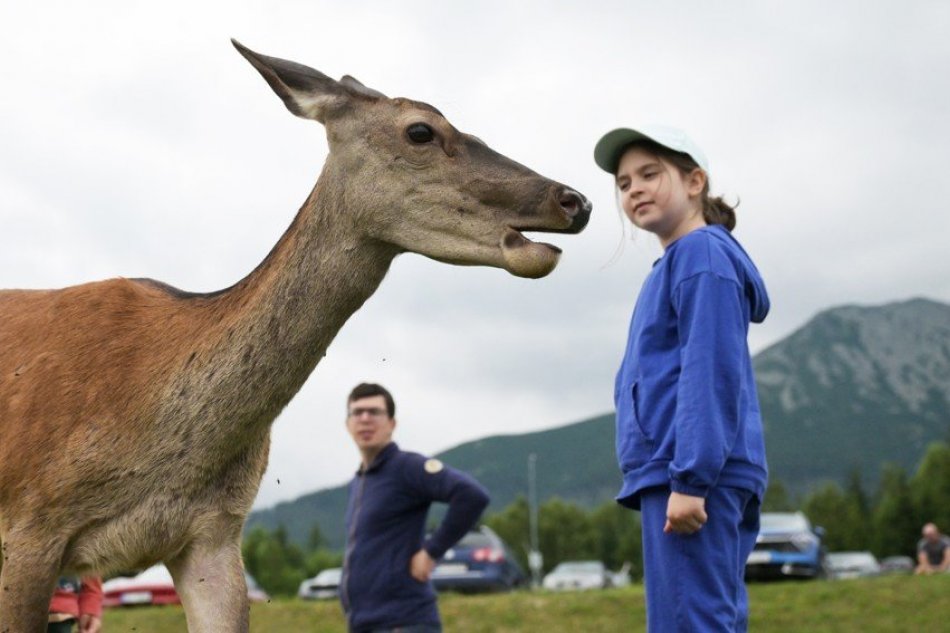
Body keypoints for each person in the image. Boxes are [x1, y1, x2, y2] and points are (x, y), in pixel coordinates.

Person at [594, 125, 770, 632]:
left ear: (695, 182)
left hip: (693, 474)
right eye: (624, 184)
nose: (635, 190)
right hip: (686, 471)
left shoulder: (700, 256)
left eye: (650, 174)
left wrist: (691, 478)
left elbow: (709, 369)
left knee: (691, 624)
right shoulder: (678, 262)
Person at [340, 383, 490, 633]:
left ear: (392, 424)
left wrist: (431, 552)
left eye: (374, 412)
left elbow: (471, 495)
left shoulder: (406, 468)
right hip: (367, 625)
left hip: (404, 622)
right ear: (348, 424)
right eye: (357, 412)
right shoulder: (359, 482)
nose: (365, 419)